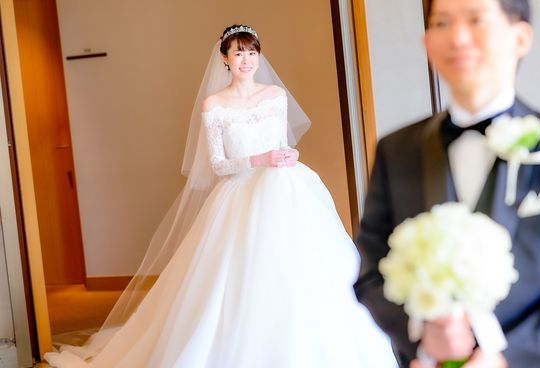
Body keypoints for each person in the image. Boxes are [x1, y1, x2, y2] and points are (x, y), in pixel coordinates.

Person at [44, 24, 398, 367]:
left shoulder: (275, 96)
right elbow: (218, 164)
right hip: (240, 194)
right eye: (238, 53)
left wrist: (289, 155)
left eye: (252, 53)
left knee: (303, 268)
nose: (246, 60)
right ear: (225, 58)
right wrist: (258, 159)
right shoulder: (213, 105)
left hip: (284, 191)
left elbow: (281, 144)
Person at [353, 0, 540, 367]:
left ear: (521, 38)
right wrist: (422, 335)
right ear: (428, 42)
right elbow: (371, 271)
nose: (458, 37)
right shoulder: (396, 150)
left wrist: (506, 356)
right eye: (441, 23)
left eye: (476, 20)